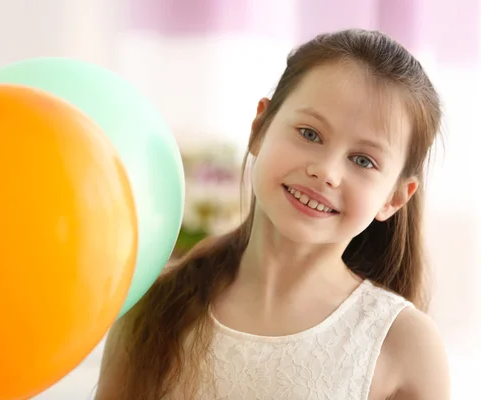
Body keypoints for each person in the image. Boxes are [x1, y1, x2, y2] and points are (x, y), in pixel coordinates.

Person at [95, 29, 451, 400]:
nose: (326, 171)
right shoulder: (153, 306)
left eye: (363, 160)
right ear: (259, 129)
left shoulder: (405, 346)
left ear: (393, 198)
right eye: (310, 134)